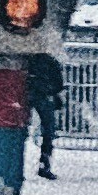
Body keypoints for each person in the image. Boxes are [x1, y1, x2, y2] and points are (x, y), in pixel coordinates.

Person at [25, 50, 64, 180]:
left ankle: (16, 164)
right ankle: (44, 165)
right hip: (44, 96)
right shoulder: (50, 62)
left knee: (18, 129)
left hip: (28, 93)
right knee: (48, 130)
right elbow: (58, 84)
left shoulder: (26, 61)